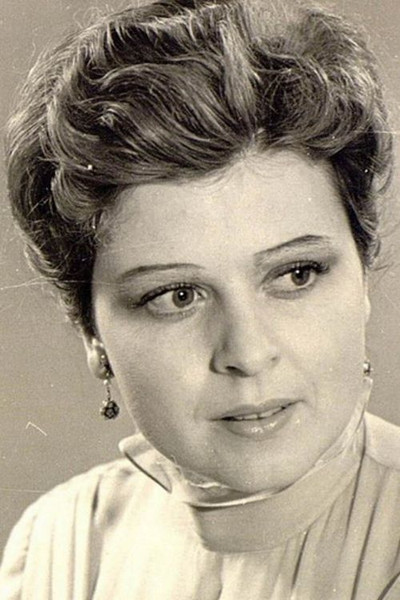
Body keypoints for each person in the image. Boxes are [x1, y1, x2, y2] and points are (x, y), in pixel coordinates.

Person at [1, 0, 399, 598]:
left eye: (296, 274)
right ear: (92, 334)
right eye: (177, 295)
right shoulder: (57, 545)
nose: (248, 353)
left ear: (361, 279)